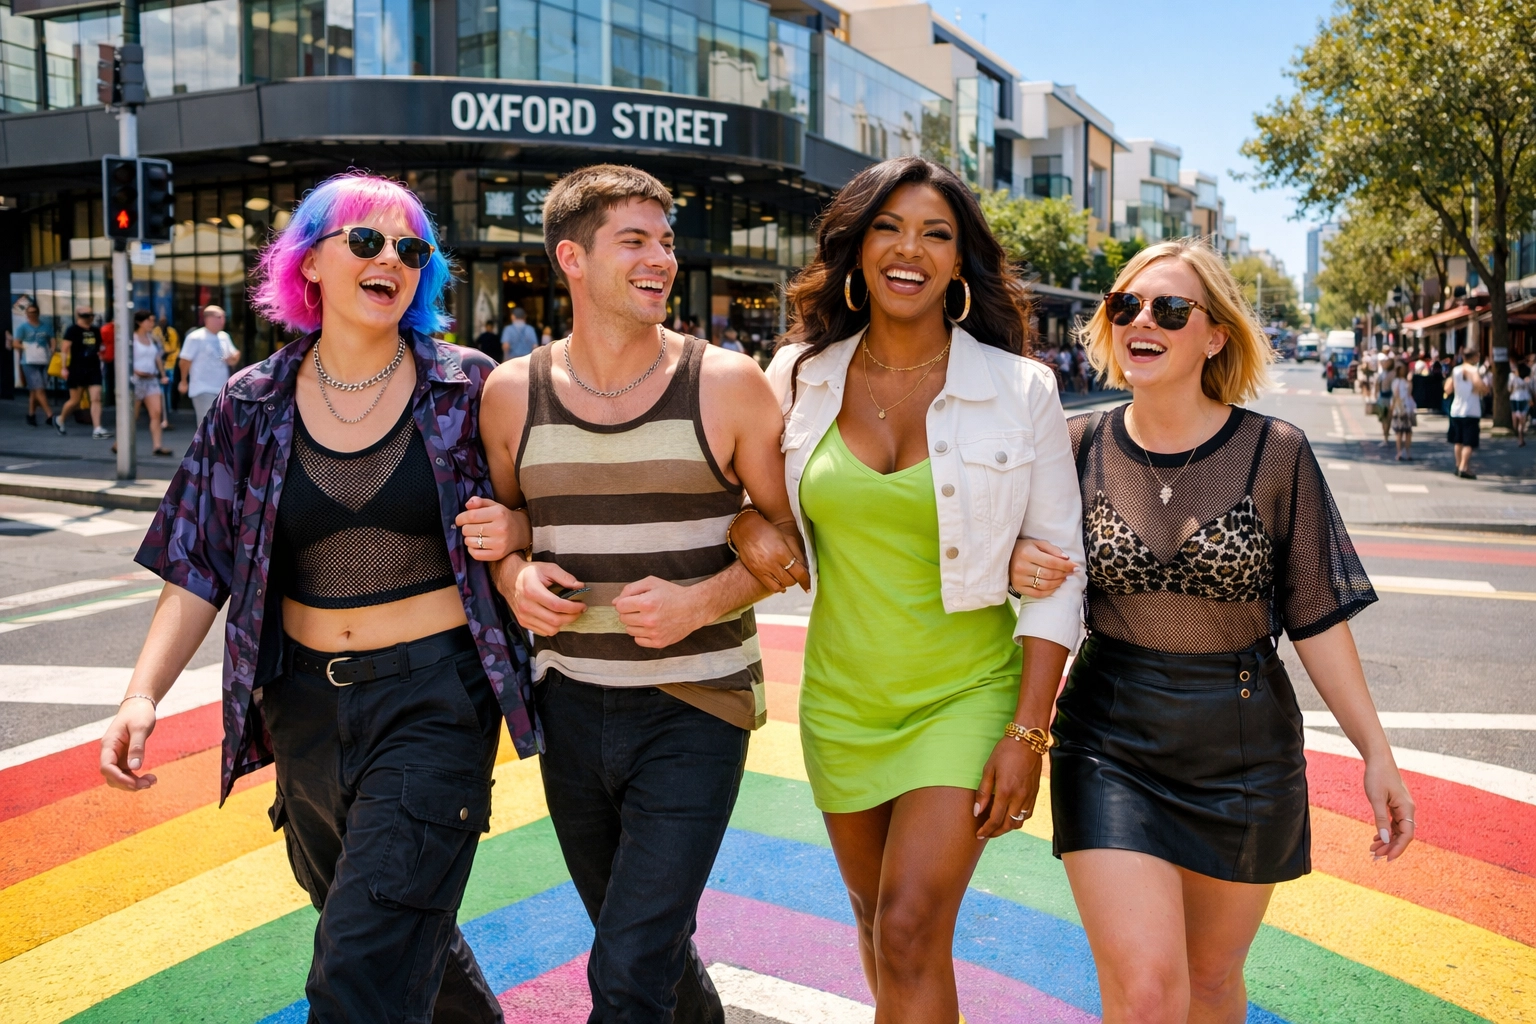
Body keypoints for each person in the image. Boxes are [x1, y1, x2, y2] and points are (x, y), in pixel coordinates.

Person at [98, 172, 535, 1024]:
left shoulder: (468, 389)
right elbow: (197, 561)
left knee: (354, 980)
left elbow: (540, 512)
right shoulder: (251, 404)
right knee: (388, 934)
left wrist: (514, 532)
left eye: (412, 250)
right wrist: (140, 694)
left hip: (436, 702)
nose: (391, 261)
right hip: (300, 708)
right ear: (310, 265)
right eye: (365, 242)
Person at [1011, 238, 1413, 1024]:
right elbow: (1009, 559)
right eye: (1124, 305)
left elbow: (1317, 619)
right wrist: (1017, 559)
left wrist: (1377, 751)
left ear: (1215, 333)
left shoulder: (1276, 453)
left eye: (1169, 307)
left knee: (1213, 985)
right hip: (1109, 740)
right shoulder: (1073, 444)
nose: (1141, 321)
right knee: (1148, 992)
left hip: (1243, 748)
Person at [728, 157, 1085, 1021]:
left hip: (965, 693)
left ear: (960, 262)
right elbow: (745, 498)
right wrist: (747, 523)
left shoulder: (1020, 388)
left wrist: (1027, 735)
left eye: (936, 234)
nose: (909, 250)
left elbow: (1058, 577)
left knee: (911, 923)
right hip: (843, 699)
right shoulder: (797, 376)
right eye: (888, 227)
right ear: (855, 248)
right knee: (873, 920)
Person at [478, 164, 803, 1023]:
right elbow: (504, 526)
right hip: (571, 709)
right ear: (571, 259)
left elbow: (793, 543)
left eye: (664, 241)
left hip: (695, 710)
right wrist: (514, 578)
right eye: (635, 240)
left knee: (624, 970)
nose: (660, 257)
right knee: (645, 951)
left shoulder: (728, 383)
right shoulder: (513, 394)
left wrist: (703, 601)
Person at [178, 305, 240, 427]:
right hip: (203, 388)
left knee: (221, 425)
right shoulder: (195, 337)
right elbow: (185, 360)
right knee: (208, 425)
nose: (222, 320)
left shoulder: (224, 337)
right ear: (208, 318)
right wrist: (183, 381)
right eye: (219, 317)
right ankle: (204, 446)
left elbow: (234, 356)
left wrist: (234, 357)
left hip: (222, 389)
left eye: (224, 317)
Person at [56, 307, 110, 438]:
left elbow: (100, 346)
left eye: (90, 315)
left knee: (96, 398)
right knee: (75, 401)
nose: (88, 318)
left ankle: (97, 428)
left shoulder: (95, 331)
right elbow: (64, 349)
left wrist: (102, 355)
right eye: (85, 315)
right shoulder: (73, 330)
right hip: (77, 368)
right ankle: (60, 419)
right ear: (79, 316)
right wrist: (64, 367)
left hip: (93, 367)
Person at [129, 310, 173, 456]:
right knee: (132, 416)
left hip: (151, 379)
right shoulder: (132, 339)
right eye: (149, 320)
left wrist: (162, 374)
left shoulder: (153, 338)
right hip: (137, 380)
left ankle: (157, 446)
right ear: (140, 322)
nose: (152, 323)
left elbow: (158, 358)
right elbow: (127, 359)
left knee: (156, 413)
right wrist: (135, 371)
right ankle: (121, 443)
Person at [1446, 346, 1487, 478]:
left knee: (1458, 440)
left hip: (1456, 409)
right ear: (1474, 357)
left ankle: (1458, 465)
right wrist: (1483, 389)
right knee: (1469, 441)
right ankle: (1464, 467)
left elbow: (1448, 389)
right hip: (1471, 410)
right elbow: (1478, 383)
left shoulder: (1456, 370)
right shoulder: (1474, 370)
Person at [11, 303, 54, 426]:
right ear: (26, 314)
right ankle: (50, 415)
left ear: (38, 313)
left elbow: (52, 339)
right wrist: (26, 347)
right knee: (39, 388)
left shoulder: (46, 326)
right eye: (29, 313)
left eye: (34, 312)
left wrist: (52, 348)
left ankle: (31, 415)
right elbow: (15, 343)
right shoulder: (23, 327)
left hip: (43, 360)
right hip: (28, 362)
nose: (31, 315)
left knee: (35, 390)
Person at [155, 316, 180, 428]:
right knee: (159, 390)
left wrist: (168, 354)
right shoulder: (155, 333)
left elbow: (175, 348)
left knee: (168, 389)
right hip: (158, 365)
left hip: (170, 363)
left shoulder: (171, 332)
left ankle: (168, 411)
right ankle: (160, 414)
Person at [1389, 360, 1415, 461]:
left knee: (1406, 432)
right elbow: (1397, 396)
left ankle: (1405, 452)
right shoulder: (1397, 382)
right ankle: (1401, 452)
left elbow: (1409, 393)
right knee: (1400, 432)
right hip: (1401, 409)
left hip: (1406, 408)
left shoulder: (1404, 381)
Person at [1508, 361, 1531, 447]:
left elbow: (1509, 388)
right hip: (1525, 398)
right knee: (1522, 420)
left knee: (1516, 418)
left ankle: (1518, 434)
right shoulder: (1527, 379)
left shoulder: (1512, 377)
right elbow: (1530, 389)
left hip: (1514, 398)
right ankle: (1521, 437)